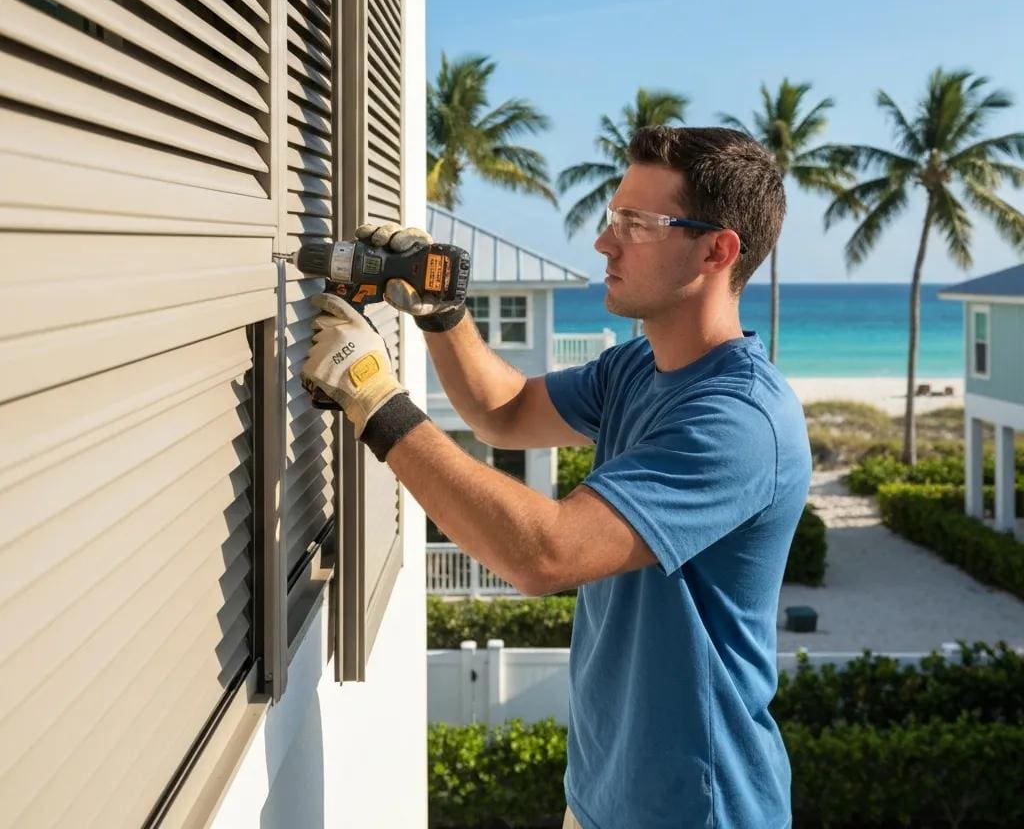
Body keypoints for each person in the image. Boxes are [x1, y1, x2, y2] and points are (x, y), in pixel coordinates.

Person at [302, 125, 812, 829]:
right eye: (614, 218)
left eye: (637, 224)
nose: (606, 243)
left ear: (716, 249)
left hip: (698, 810)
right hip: (602, 798)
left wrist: (376, 402)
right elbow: (503, 412)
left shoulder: (741, 421)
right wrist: (440, 312)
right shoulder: (639, 368)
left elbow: (547, 554)